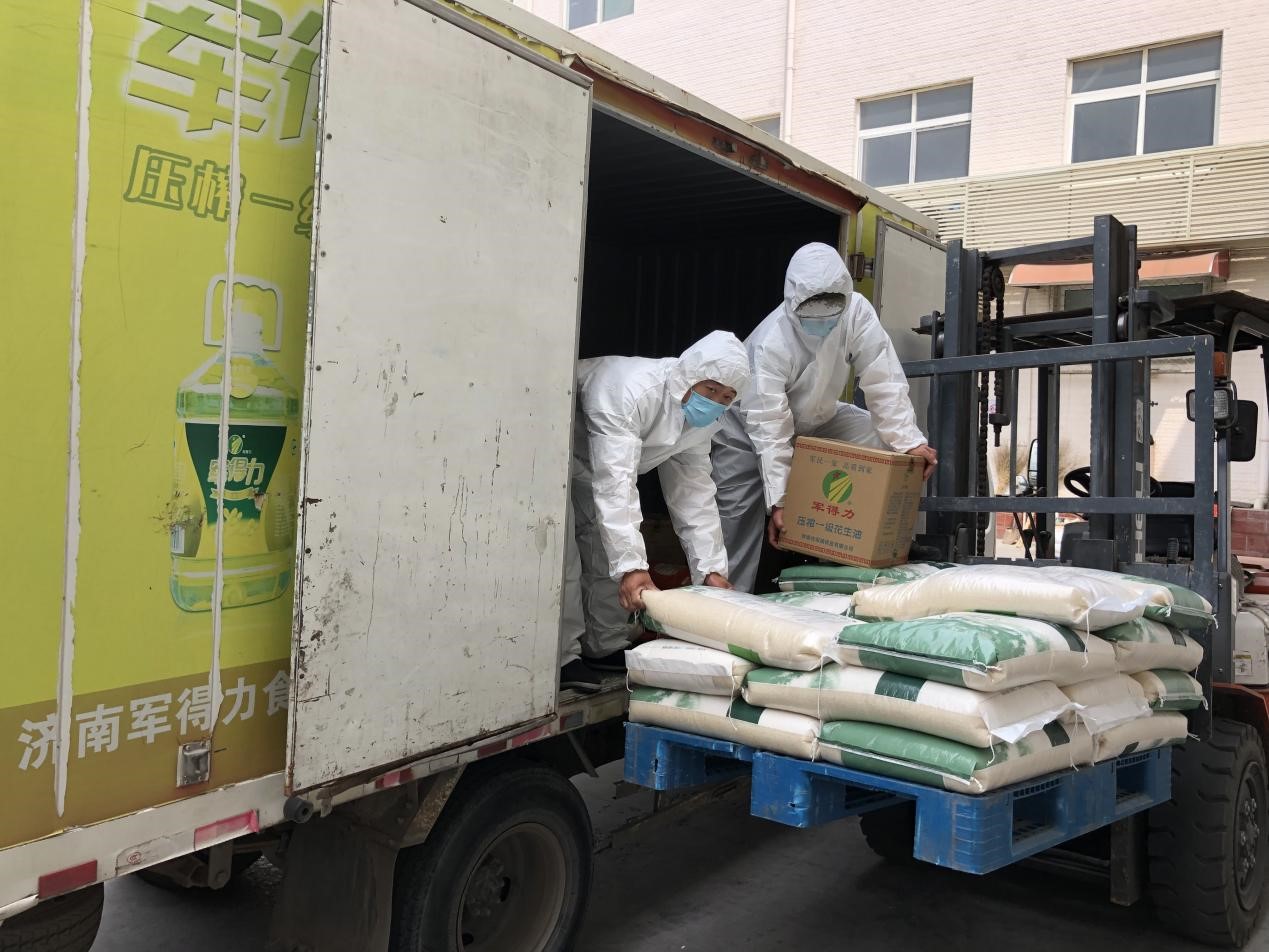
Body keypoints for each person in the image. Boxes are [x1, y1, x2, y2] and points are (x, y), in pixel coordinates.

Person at [712, 242, 937, 593]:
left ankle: (866, 544)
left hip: (818, 419)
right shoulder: (771, 341)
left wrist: (909, 441)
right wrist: (781, 502)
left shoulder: (857, 312)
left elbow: (882, 378)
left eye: (831, 308)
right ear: (792, 302)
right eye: (810, 312)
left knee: (882, 441)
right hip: (745, 431)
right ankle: (726, 605)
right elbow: (770, 426)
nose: (822, 319)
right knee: (736, 524)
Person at [560, 331, 752, 692]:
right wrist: (632, 567)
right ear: (690, 374)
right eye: (711, 389)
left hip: (594, 470)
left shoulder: (701, 420)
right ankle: (562, 658)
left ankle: (604, 644)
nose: (716, 402)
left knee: (603, 549)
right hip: (555, 452)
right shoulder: (632, 390)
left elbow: (693, 491)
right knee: (562, 556)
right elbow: (615, 482)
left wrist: (710, 570)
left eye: (727, 396)